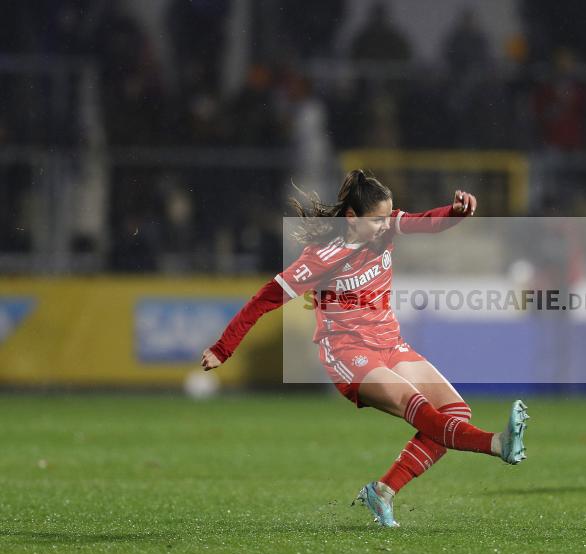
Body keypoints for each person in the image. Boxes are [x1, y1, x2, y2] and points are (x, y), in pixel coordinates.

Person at [200, 170, 529, 526]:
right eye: (376, 219)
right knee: (418, 408)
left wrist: (456, 213)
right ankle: (498, 444)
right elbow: (264, 298)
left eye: (387, 217)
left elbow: (424, 223)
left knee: (455, 412)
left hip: (389, 343)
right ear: (352, 218)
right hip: (348, 354)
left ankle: (382, 492)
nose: (384, 225)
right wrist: (223, 347)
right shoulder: (322, 257)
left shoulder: (383, 230)